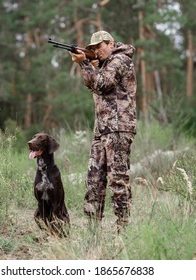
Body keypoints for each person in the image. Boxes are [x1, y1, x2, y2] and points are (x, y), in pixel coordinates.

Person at [69, 31, 137, 231]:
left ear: (111, 44)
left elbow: (101, 84)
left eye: (100, 46)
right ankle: (93, 231)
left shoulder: (120, 60)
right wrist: (91, 66)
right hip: (101, 130)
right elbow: (97, 85)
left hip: (118, 129)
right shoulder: (104, 64)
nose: (97, 50)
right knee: (94, 179)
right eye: (93, 48)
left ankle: (123, 229)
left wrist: (84, 64)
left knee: (118, 180)